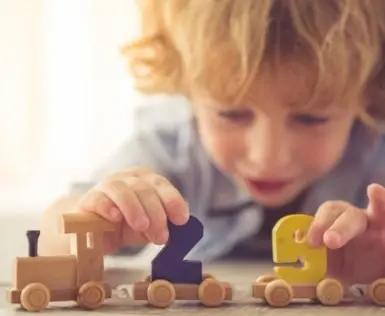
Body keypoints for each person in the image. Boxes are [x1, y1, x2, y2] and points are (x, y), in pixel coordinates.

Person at [39, 0, 385, 285]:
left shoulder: (376, 156)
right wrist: (96, 219)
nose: (267, 157)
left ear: (366, 99)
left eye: (311, 118)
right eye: (232, 115)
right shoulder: (169, 149)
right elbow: (52, 234)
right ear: (188, 91)